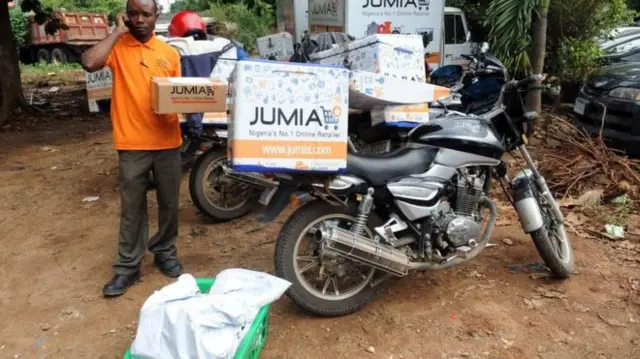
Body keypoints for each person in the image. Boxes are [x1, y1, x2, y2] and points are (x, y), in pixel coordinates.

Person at [81, 0, 184, 297]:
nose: (139, 19)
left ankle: (165, 251)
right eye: (134, 14)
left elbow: (180, 95)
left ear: (156, 16)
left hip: (167, 141)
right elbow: (89, 63)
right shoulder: (117, 47)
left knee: (168, 204)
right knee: (132, 209)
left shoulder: (169, 54)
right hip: (132, 143)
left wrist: (180, 109)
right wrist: (116, 32)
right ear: (127, 16)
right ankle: (128, 267)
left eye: (145, 14)